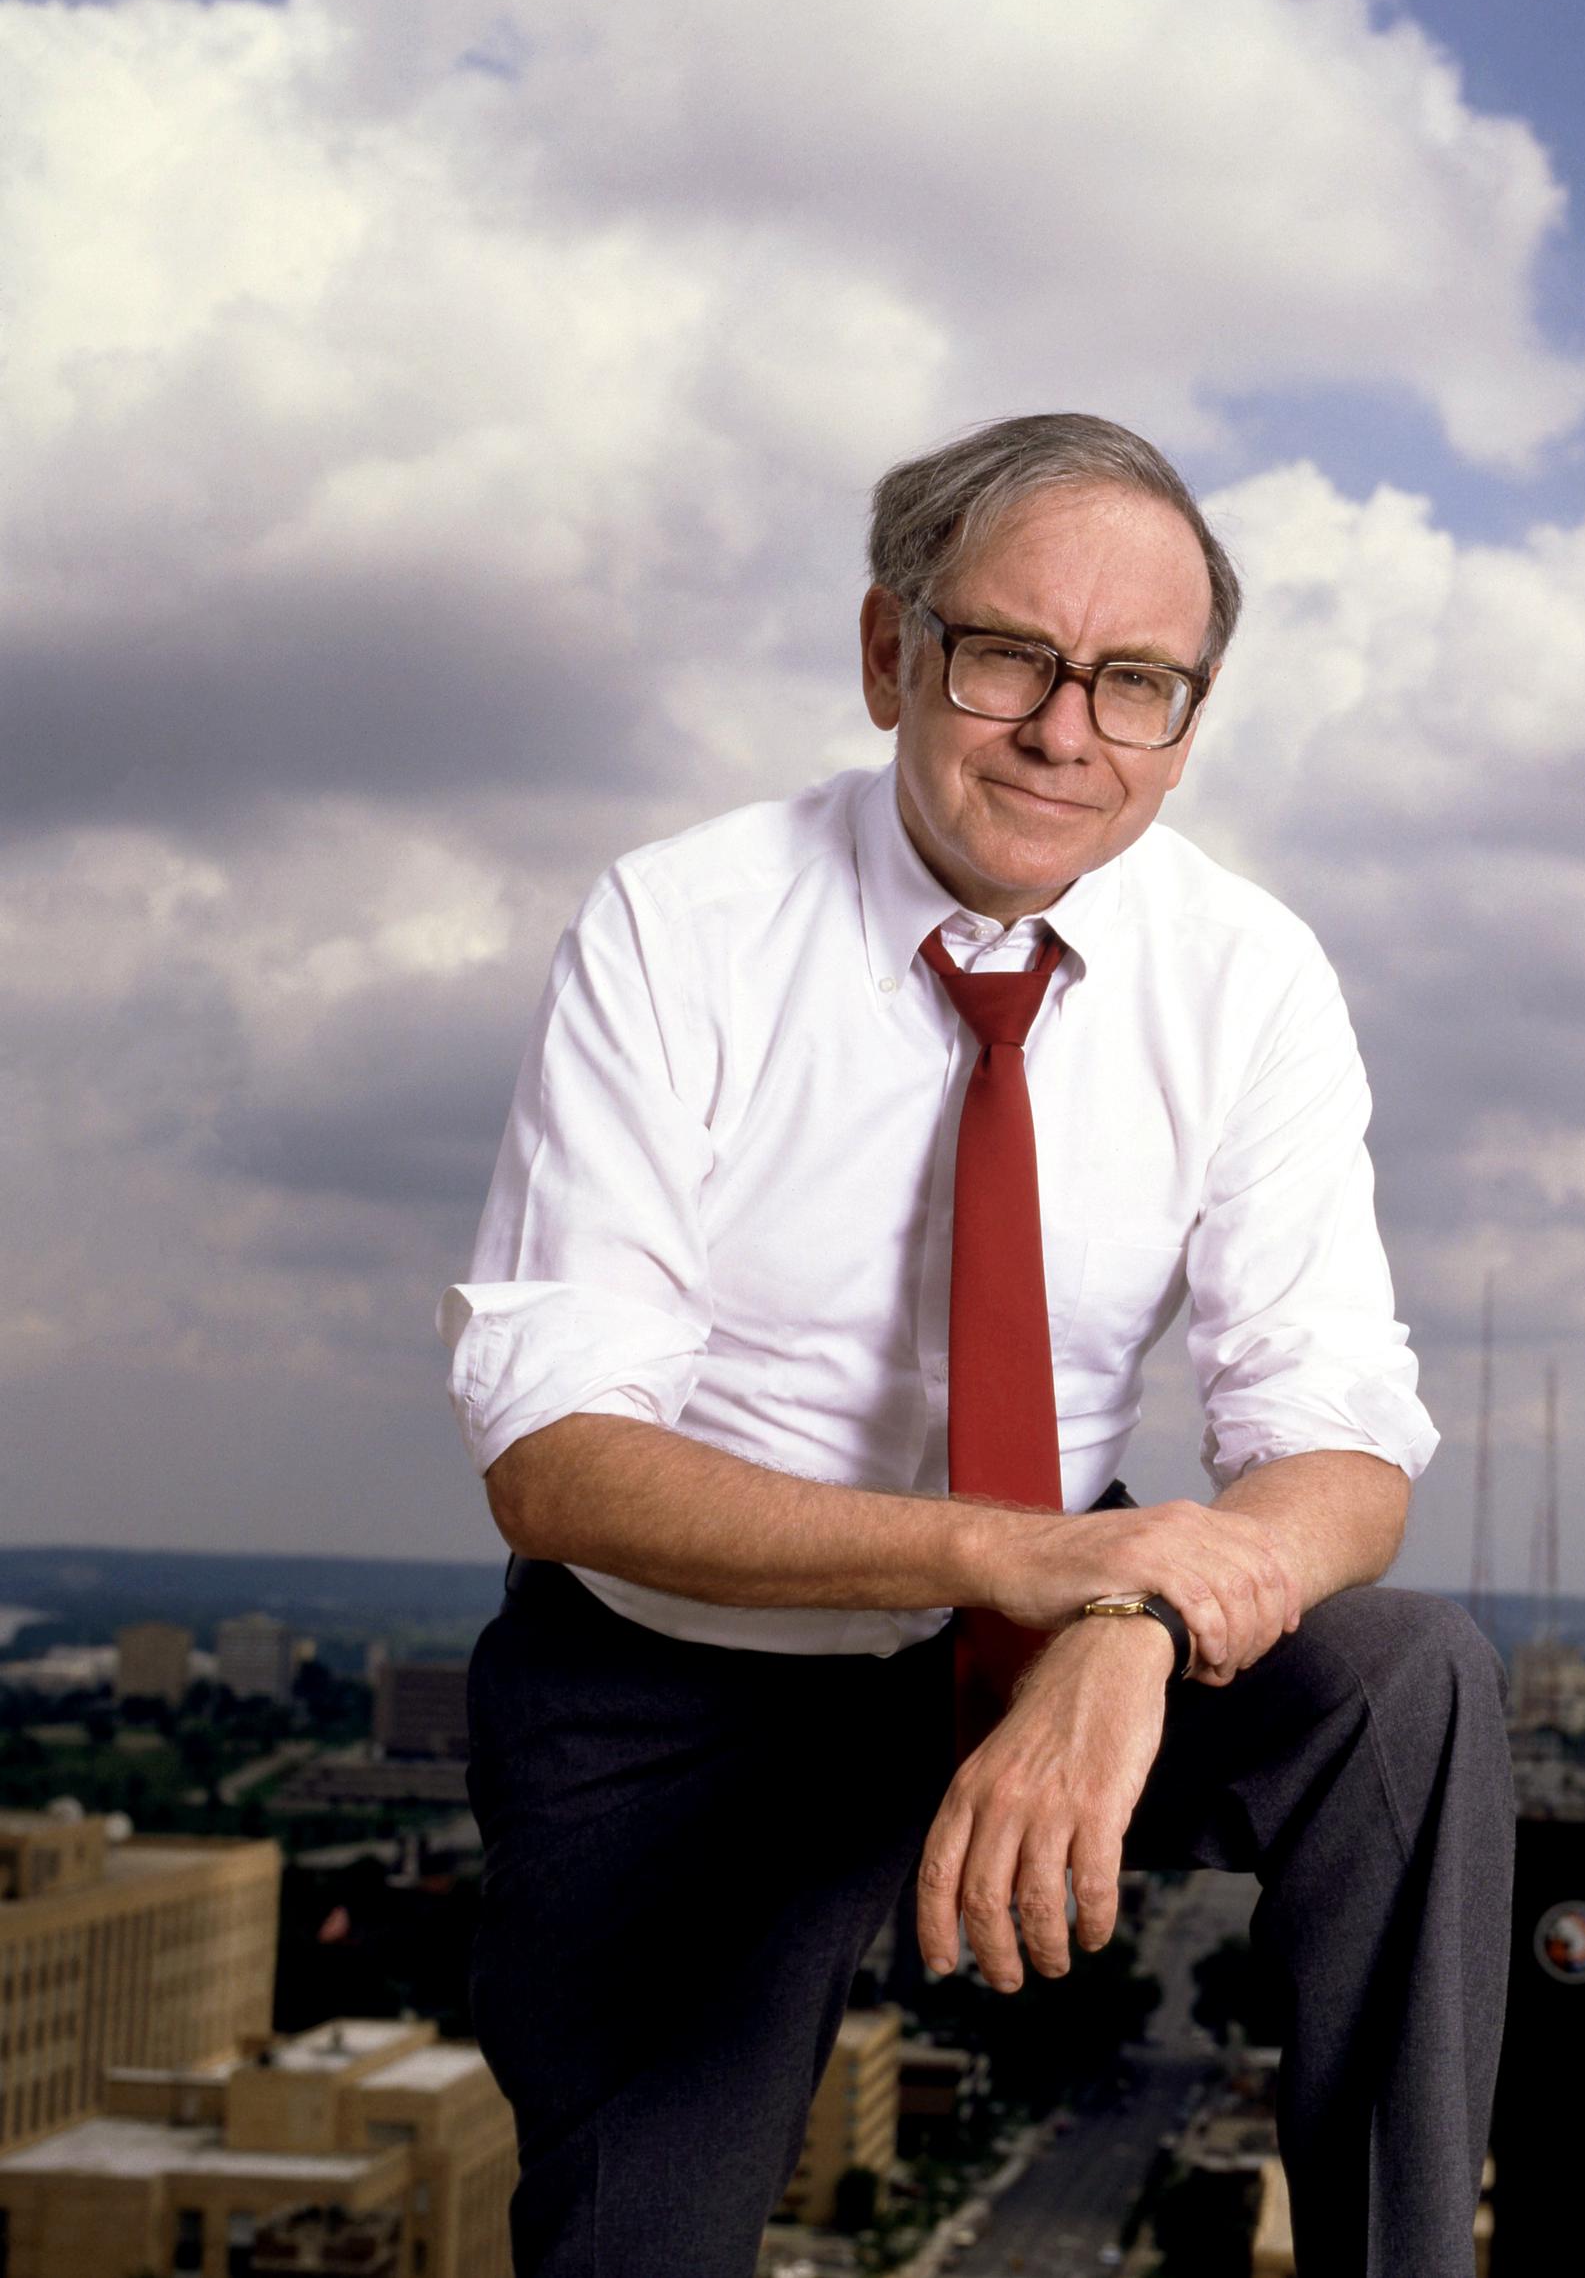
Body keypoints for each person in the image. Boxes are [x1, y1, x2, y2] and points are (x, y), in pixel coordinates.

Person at [440, 412, 1511, 2278]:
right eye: (1010, 655)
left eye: (1139, 683)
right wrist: (1032, 1552)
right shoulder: (676, 928)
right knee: (633, 2245)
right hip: (682, 1676)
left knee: (1405, 1685)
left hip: (1059, 1625)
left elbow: (1339, 1442)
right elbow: (554, 1454)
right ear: (891, 654)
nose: (1065, 732)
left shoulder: (1245, 972)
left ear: (1189, 719)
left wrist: (1129, 1622)